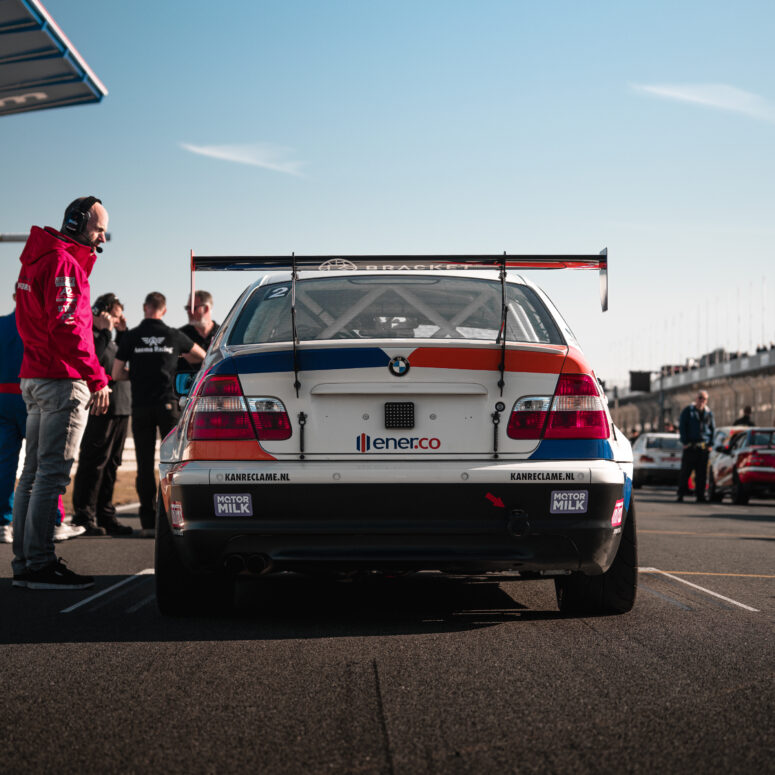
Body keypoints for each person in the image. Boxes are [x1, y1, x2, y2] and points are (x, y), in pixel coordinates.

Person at [11, 196, 111, 589]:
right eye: (99, 227)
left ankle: (26, 562)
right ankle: (39, 564)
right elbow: (68, 327)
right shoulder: (61, 263)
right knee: (49, 476)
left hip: (35, 377)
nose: (102, 235)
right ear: (78, 224)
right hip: (60, 380)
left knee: (33, 475)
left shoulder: (38, 259)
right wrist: (97, 377)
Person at [113, 292, 205, 535]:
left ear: (145, 308)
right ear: (163, 310)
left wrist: (137, 373)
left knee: (144, 466)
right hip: (168, 406)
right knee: (174, 464)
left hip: (141, 406)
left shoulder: (131, 336)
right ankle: (176, 517)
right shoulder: (173, 335)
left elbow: (116, 373)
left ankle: (147, 522)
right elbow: (203, 357)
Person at [0, 296, 81, 546]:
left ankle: (3, 523)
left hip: (2, 399)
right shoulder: (38, 324)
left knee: (5, 463)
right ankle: (53, 520)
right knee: (46, 463)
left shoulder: (2, 324)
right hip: (32, 395)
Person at [71, 293, 133, 536]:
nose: (118, 321)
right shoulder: (94, 336)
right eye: (115, 316)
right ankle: (84, 516)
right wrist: (107, 331)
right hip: (100, 407)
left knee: (112, 464)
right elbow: (91, 359)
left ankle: (105, 514)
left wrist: (123, 332)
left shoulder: (114, 339)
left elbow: (126, 358)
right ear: (102, 312)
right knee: (94, 462)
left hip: (121, 406)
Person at [677, 390, 715, 503]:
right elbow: (682, 427)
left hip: (703, 448)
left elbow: (713, 429)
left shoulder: (708, 413)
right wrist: (685, 442)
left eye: (704, 399)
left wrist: (710, 444)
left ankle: (700, 496)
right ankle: (681, 494)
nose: (702, 401)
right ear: (696, 398)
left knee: (702, 474)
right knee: (685, 472)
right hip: (690, 447)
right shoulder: (688, 411)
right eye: (700, 398)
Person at [178, 290, 219, 371]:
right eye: (187, 308)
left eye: (193, 308)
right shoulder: (180, 335)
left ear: (206, 308)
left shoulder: (223, 334)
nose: (189, 312)